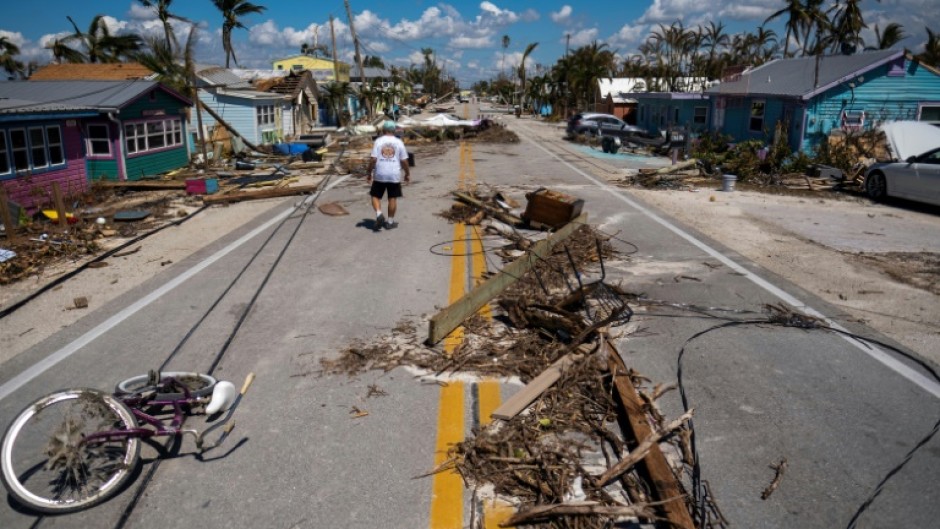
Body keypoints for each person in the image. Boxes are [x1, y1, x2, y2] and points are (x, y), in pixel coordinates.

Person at [367, 121, 410, 230]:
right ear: (394, 130)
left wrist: (368, 172)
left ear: (383, 130)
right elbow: (404, 161)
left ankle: (378, 214)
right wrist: (407, 173)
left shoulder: (378, 141)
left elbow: (373, 159)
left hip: (380, 174)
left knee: (375, 196)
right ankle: (390, 222)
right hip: (394, 174)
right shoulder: (399, 142)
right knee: (392, 198)